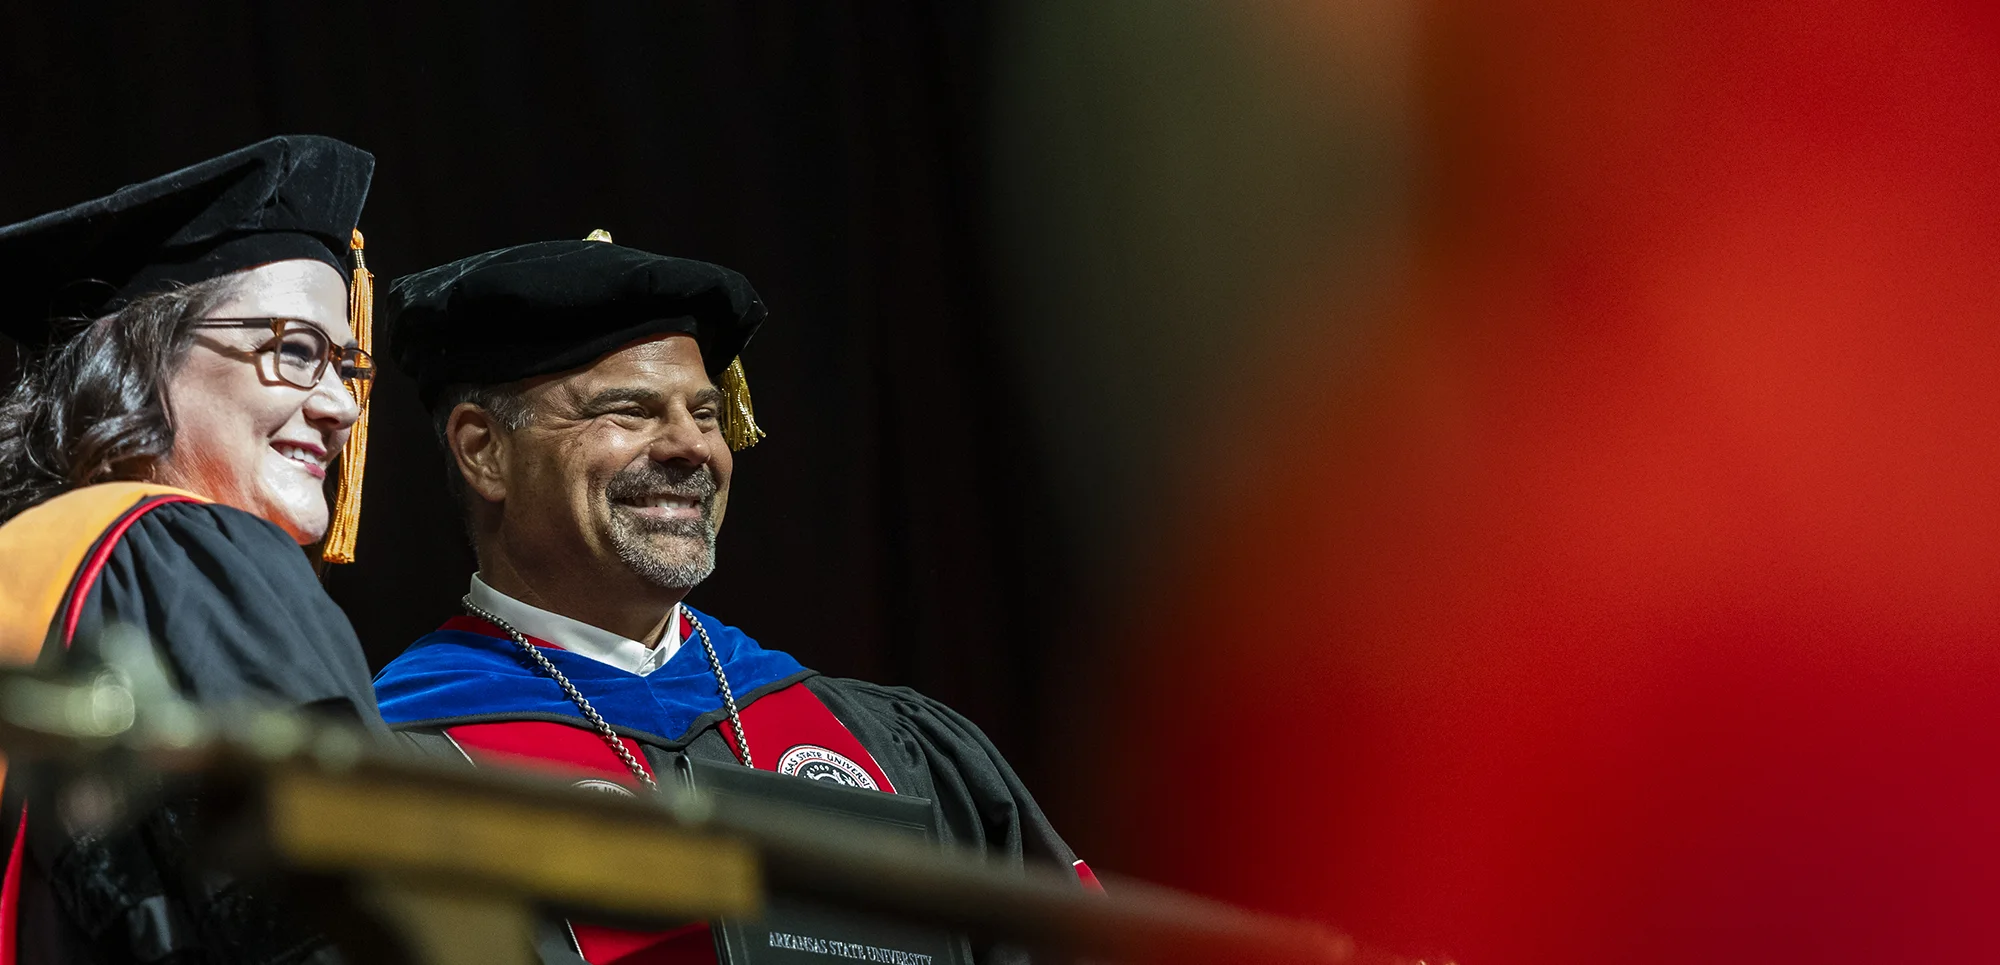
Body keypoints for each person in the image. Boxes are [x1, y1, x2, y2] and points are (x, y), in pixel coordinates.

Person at [372, 234, 1091, 965]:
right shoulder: (398, 763)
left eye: (708, 413)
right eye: (630, 411)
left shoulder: (880, 739)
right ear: (484, 451)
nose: (694, 447)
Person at [0, 136, 387, 964]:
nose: (340, 407)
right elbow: (345, 917)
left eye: (344, 366)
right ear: (140, 355)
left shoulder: (38, 573)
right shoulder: (186, 547)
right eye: (295, 350)